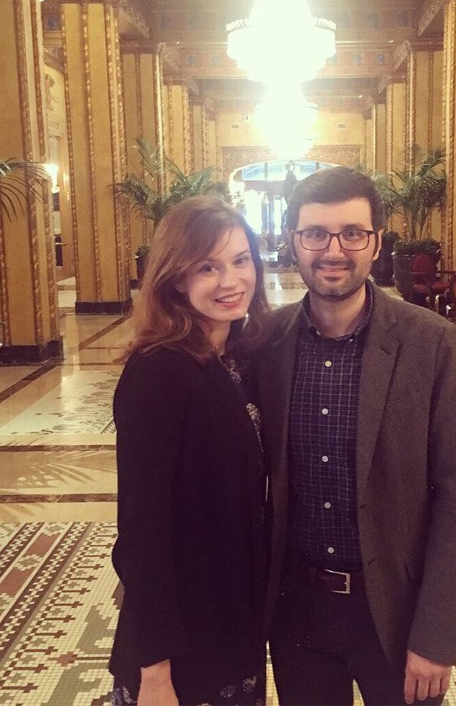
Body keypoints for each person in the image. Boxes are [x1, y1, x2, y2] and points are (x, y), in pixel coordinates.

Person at [253, 167, 456, 706]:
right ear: (293, 243)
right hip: (297, 612)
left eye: (352, 233)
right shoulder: (265, 343)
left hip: (397, 614)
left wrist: (437, 634)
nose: (334, 250)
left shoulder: (430, 343)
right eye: (315, 234)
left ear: (377, 242)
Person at [109, 196, 269, 706]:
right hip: (180, 644)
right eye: (208, 267)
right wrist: (155, 671)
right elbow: (141, 530)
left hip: (233, 621)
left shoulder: (238, 358)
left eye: (241, 261)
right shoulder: (160, 371)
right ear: (176, 279)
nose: (231, 281)